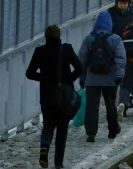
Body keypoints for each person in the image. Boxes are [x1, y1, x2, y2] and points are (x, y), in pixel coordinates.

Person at [26, 25, 82, 169]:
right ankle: (58, 164)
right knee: (62, 129)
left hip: (47, 96)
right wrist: (68, 80)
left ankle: (44, 147)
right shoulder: (67, 49)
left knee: (48, 125)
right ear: (59, 36)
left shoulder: (40, 51)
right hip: (65, 96)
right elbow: (80, 68)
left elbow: (30, 73)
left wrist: (45, 78)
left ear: (45, 37)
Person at [78, 11, 126, 142]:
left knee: (91, 107)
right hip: (110, 79)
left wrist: (82, 77)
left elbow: (81, 59)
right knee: (110, 105)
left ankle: (91, 133)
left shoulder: (89, 38)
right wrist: (119, 75)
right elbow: (120, 58)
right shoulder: (115, 39)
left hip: (91, 79)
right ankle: (112, 130)